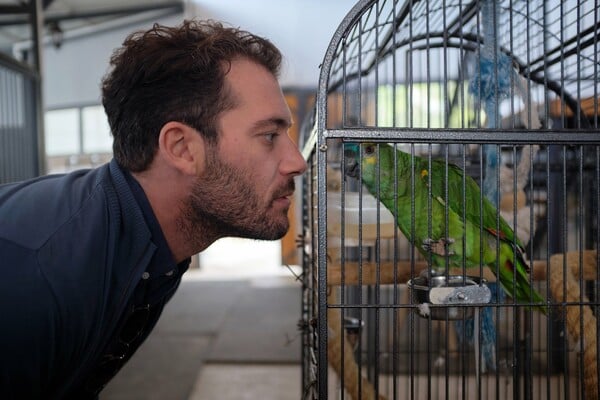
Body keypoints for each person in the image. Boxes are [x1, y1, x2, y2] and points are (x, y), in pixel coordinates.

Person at [0, 19, 307, 399]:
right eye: (269, 136)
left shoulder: (150, 244)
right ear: (180, 148)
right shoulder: (40, 276)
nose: (297, 161)